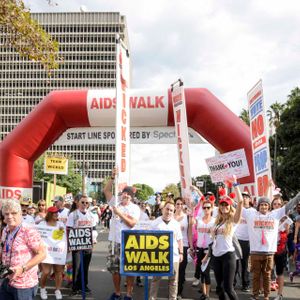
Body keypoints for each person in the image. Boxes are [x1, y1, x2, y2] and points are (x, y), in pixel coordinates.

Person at [242, 192, 300, 300]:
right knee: (255, 276)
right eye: (262, 204)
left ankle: (266, 296)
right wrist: (228, 194)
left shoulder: (275, 214)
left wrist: (298, 196)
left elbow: (290, 204)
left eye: (266, 204)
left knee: (267, 276)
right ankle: (255, 295)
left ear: (269, 206)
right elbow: (238, 207)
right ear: (258, 206)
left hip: (269, 252)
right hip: (255, 252)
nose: (264, 206)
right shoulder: (251, 215)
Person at [202, 180, 243, 300]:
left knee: (228, 288)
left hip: (228, 256)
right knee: (219, 288)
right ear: (219, 207)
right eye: (222, 204)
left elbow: (240, 202)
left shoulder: (233, 221)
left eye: (227, 205)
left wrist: (235, 184)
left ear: (230, 207)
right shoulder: (217, 221)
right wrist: (208, 256)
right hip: (216, 257)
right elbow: (213, 242)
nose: (224, 207)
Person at [104, 170, 140, 300]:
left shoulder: (135, 208)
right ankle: (117, 292)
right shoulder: (115, 202)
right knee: (114, 269)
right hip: (114, 241)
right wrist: (112, 178)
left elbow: (132, 224)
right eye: (125, 193)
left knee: (130, 269)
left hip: (129, 241)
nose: (126, 196)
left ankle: (129, 294)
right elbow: (106, 191)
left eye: (129, 194)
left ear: (132, 197)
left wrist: (119, 213)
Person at [0, 199, 46, 300]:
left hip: (24, 284)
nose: (10, 216)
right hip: (7, 280)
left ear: (20, 213)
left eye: (14, 213)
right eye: (6, 214)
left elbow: (42, 254)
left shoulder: (28, 230)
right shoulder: (6, 230)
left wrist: (23, 268)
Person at [149, 200, 183, 300]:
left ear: (174, 211)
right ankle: (152, 298)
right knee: (156, 279)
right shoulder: (155, 223)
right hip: (159, 257)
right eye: (167, 209)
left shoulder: (176, 224)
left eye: (171, 210)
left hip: (174, 257)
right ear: (163, 209)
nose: (169, 212)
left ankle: (173, 298)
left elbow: (179, 239)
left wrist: (181, 252)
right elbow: (149, 240)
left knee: (173, 281)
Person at [66, 195, 97, 295]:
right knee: (77, 266)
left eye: (86, 203)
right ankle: (75, 287)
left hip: (88, 244)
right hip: (77, 244)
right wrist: (69, 245)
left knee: (85, 266)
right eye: (82, 202)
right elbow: (68, 229)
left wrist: (94, 239)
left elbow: (94, 229)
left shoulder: (91, 215)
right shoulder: (73, 215)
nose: (84, 204)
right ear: (78, 203)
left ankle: (84, 285)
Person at [39, 206, 66, 300]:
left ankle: (58, 290)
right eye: (54, 212)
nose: (56, 214)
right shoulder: (42, 223)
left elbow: (64, 237)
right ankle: (42, 289)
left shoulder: (61, 224)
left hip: (58, 252)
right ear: (49, 214)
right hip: (46, 252)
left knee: (59, 272)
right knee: (46, 272)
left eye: (57, 212)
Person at [193, 198, 216, 300]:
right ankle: (204, 293)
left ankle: (207, 294)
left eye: (208, 207)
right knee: (201, 271)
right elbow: (191, 221)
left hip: (209, 249)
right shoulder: (198, 220)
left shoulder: (215, 221)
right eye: (204, 207)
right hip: (199, 248)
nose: (206, 209)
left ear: (212, 209)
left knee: (206, 271)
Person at [271, 197, 293, 300]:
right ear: (272, 205)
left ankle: (279, 294)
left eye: (279, 204)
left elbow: (287, 234)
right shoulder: (268, 216)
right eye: (275, 204)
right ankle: (264, 291)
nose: (276, 206)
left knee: (279, 272)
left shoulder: (285, 218)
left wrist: (285, 226)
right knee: (267, 271)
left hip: (280, 248)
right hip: (269, 248)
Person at [174, 197, 193, 299]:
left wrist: (191, 246)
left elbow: (189, 232)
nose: (179, 206)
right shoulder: (170, 216)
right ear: (175, 205)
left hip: (184, 246)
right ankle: (172, 290)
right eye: (177, 204)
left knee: (181, 270)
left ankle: (179, 292)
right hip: (172, 246)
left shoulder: (187, 217)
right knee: (173, 270)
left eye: (181, 204)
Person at [234, 191, 252, 292]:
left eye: (246, 197)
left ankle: (245, 284)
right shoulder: (236, 210)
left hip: (247, 241)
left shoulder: (253, 211)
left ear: (250, 199)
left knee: (245, 264)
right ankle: (232, 283)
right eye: (243, 197)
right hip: (236, 240)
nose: (244, 198)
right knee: (235, 264)